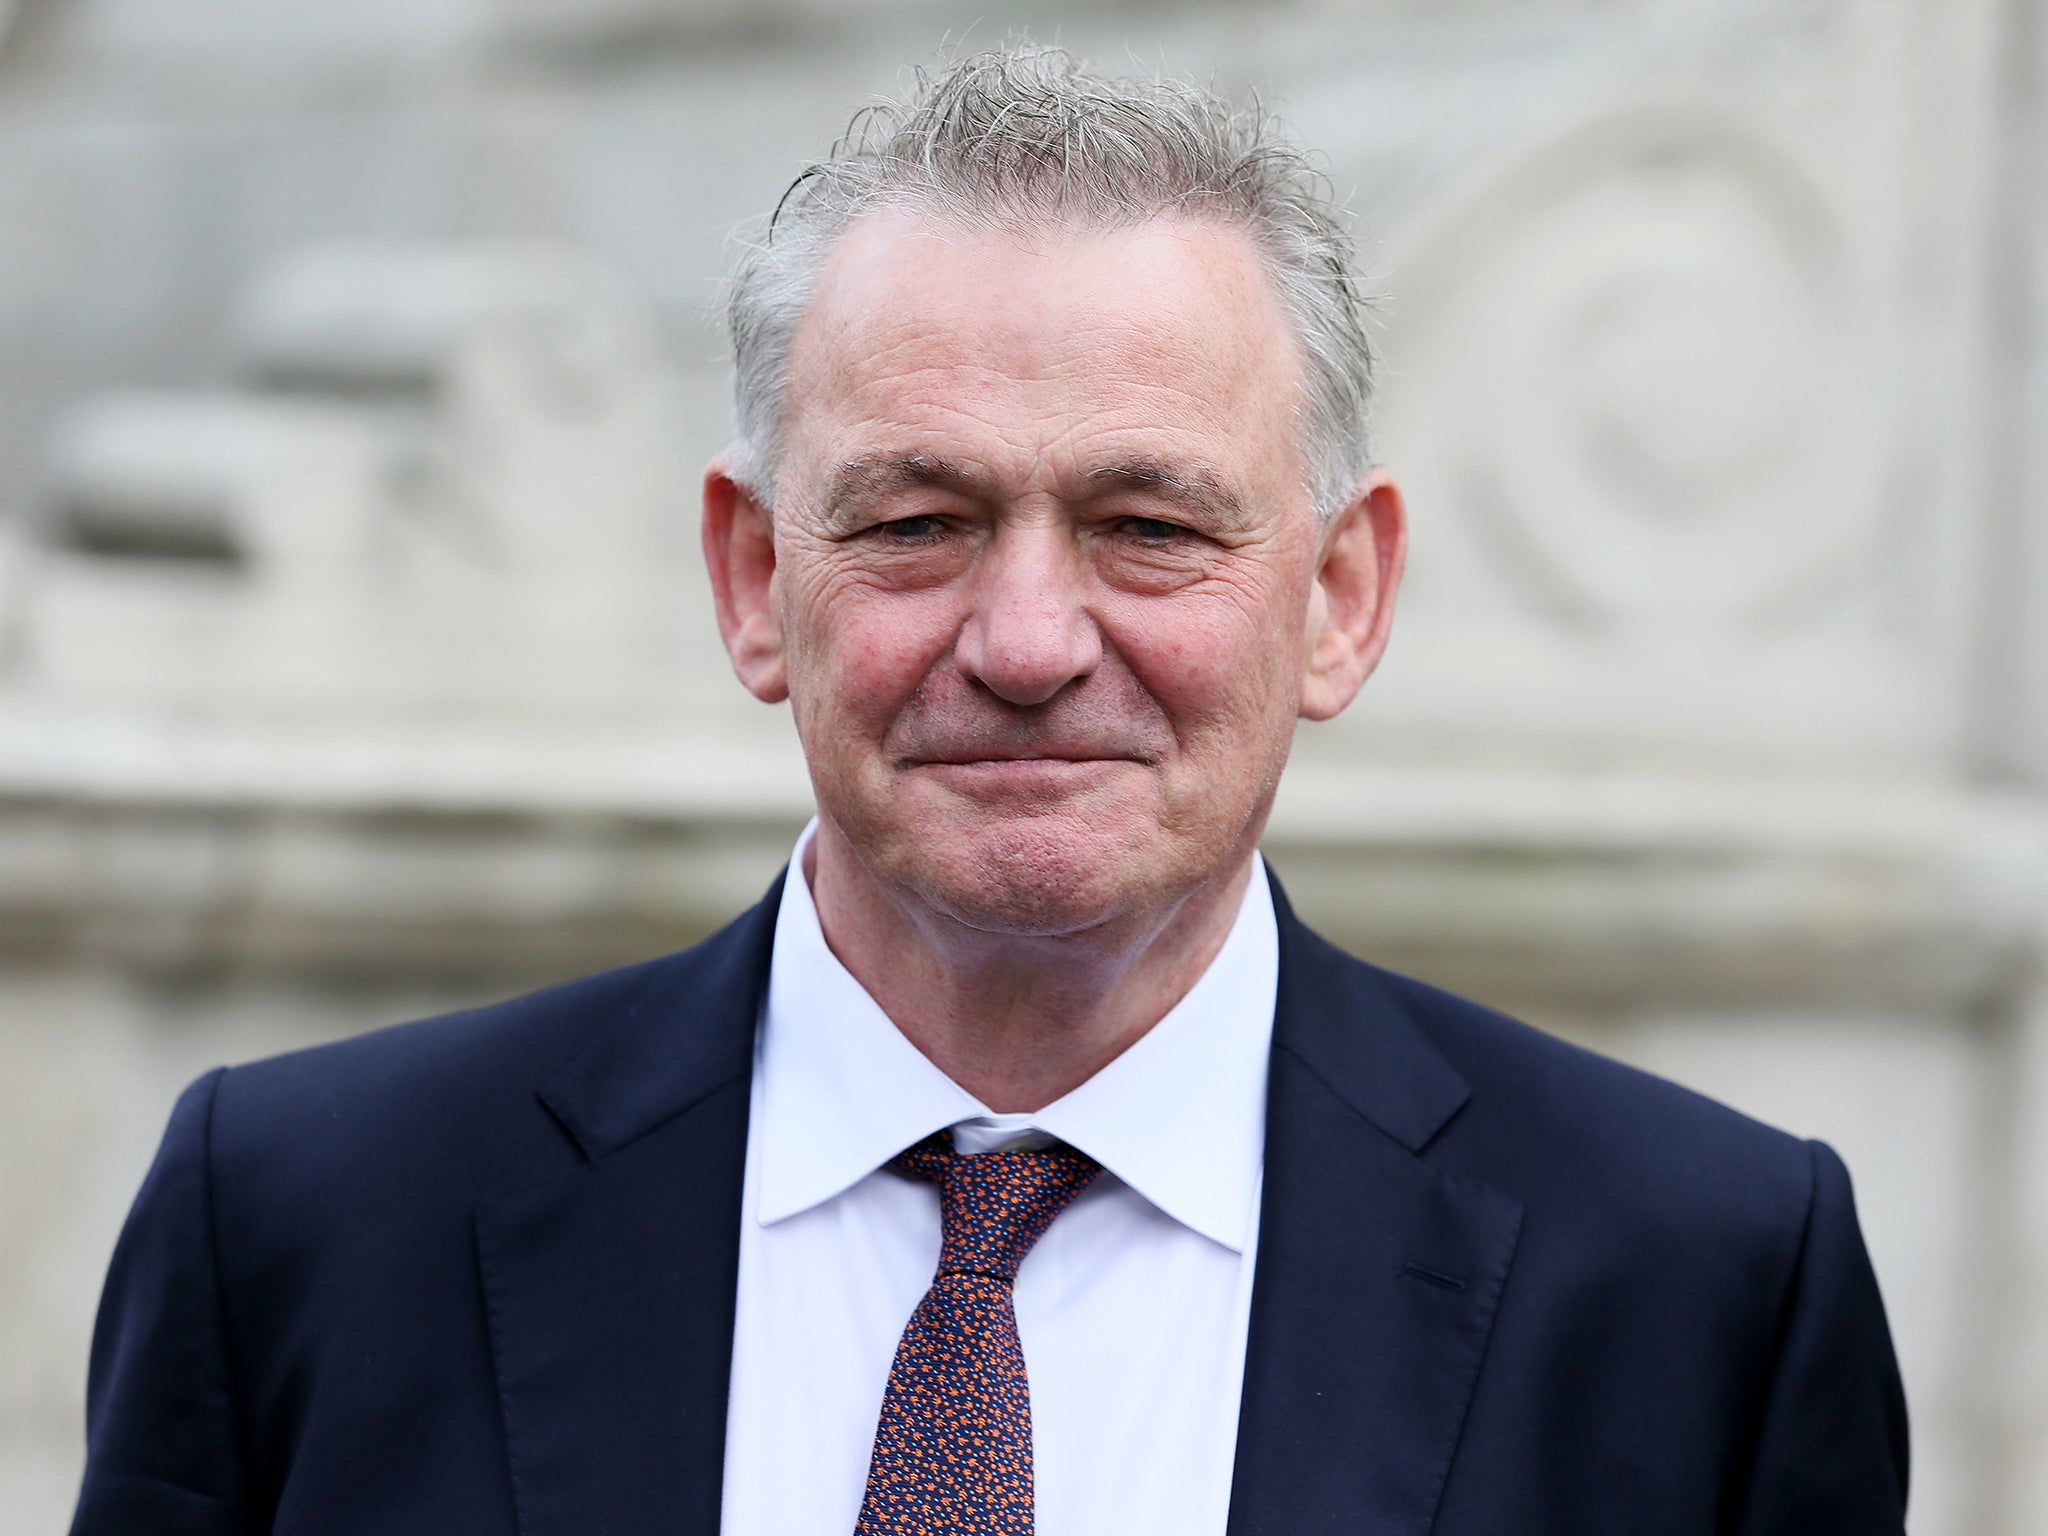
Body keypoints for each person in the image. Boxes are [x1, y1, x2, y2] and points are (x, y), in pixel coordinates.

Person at [70, 43, 1908, 1536]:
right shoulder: (306, 1229)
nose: (1028, 638)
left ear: (1340, 598)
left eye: (1148, 526)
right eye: (922, 522)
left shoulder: (1702, 1293)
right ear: (749, 578)